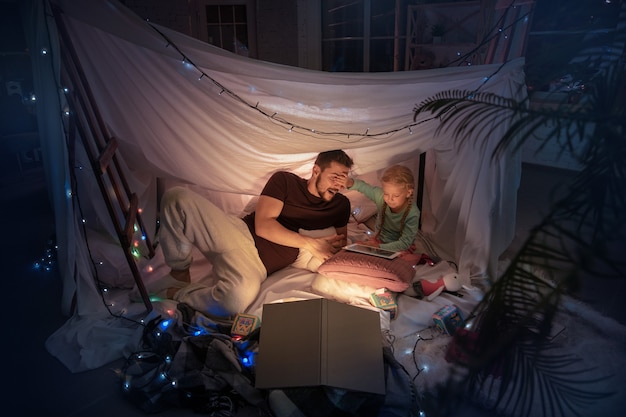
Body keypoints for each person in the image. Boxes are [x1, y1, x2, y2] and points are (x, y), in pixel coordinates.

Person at [148, 150, 354, 318]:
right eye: (335, 177)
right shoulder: (285, 182)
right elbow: (263, 226)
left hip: (257, 266)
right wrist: (310, 243)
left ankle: (179, 293)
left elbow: (339, 243)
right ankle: (180, 271)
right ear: (316, 170)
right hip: (239, 234)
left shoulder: (341, 205)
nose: (340, 184)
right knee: (177, 198)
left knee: (231, 304)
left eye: (344, 178)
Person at [346, 164, 420, 253]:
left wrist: (379, 246)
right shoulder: (380, 197)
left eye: (396, 195)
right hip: (379, 239)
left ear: (408, 193)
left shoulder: (412, 213)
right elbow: (364, 188)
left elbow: (404, 243)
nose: (390, 199)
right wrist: (349, 182)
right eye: (386, 194)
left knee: (403, 260)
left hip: (398, 246)